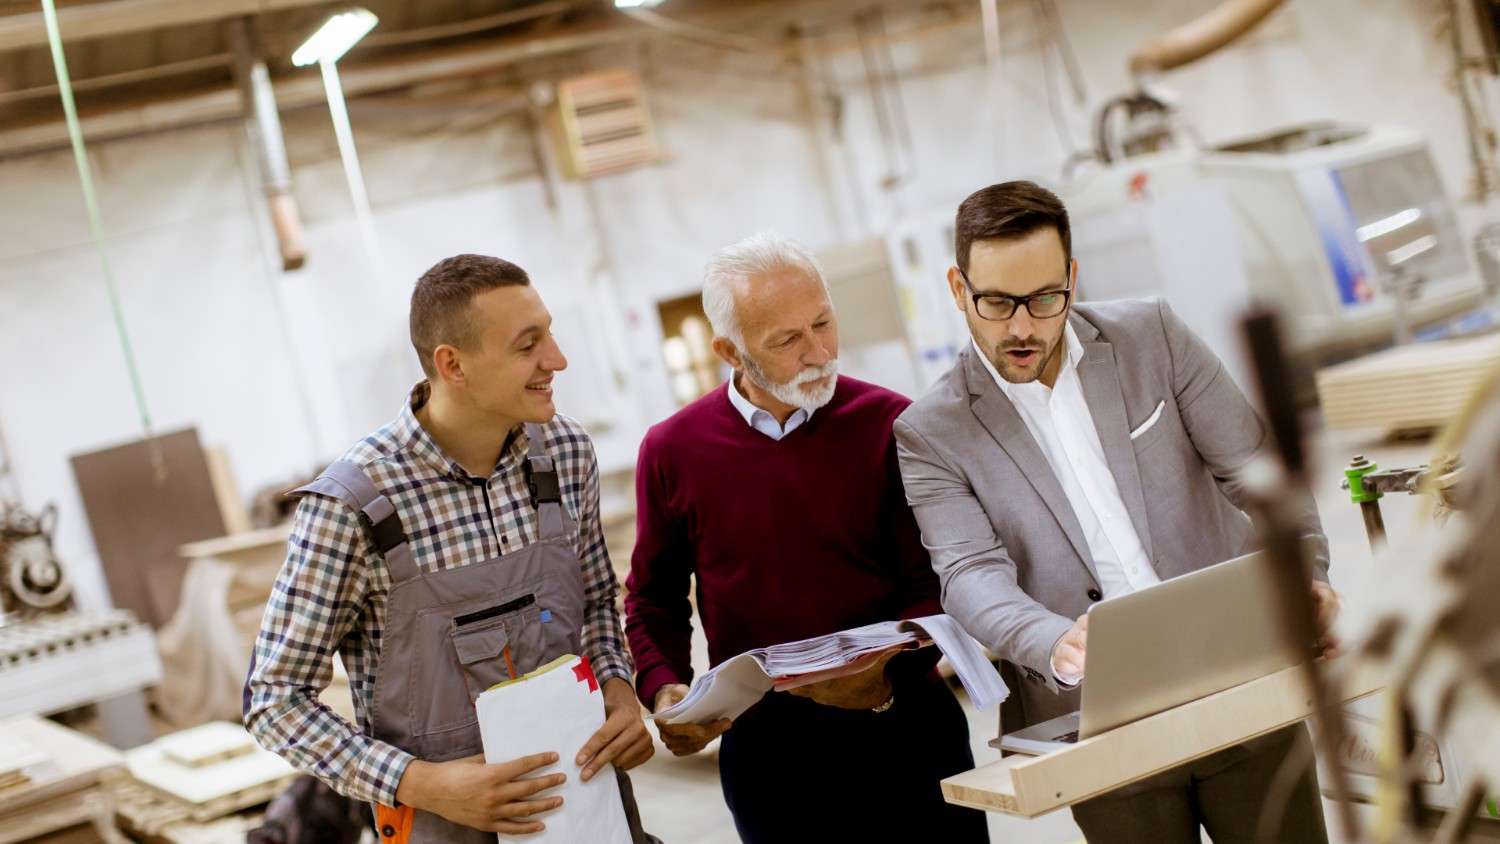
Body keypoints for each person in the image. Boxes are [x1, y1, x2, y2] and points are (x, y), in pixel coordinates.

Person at [895, 182, 1339, 842]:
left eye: (1045, 299)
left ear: (1072, 279)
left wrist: (1308, 571)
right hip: (1092, 721)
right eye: (995, 303)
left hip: (1236, 678)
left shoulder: (1152, 337)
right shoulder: (931, 431)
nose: (1022, 326)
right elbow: (967, 574)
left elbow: (1258, 472)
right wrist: (1054, 641)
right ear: (959, 290)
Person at [245, 254, 654, 842]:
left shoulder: (564, 455)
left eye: (550, 335)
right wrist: (421, 783)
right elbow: (275, 699)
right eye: (527, 345)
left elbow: (593, 606)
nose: (557, 360)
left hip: (590, 816)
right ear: (452, 364)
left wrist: (618, 691)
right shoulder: (353, 506)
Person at [625, 233, 989, 843]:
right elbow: (652, 598)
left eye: (823, 323)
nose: (820, 351)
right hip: (773, 759)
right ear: (729, 351)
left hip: (907, 731)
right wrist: (666, 689)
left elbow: (937, 579)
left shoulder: (892, 423)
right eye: (787, 340)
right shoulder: (672, 452)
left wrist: (881, 676)